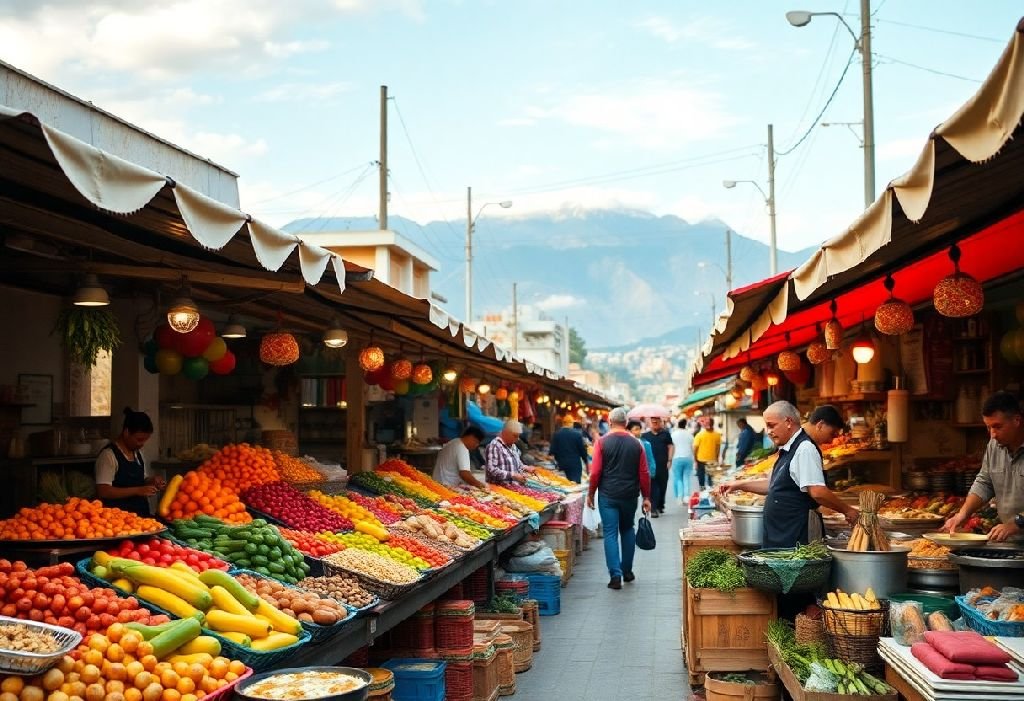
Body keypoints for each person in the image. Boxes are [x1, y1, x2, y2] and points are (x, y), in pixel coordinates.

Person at [717, 402, 858, 548]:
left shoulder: (805, 448)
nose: (768, 431)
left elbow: (817, 492)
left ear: (789, 422)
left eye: (772, 425)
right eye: (768, 426)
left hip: (794, 534)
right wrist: (739, 485)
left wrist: (847, 510)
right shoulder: (791, 447)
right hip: (783, 533)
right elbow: (773, 484)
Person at [944, 391, 1024, 542]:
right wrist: (962, 514)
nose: (992, 434)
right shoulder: (994, 445)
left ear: (1017, 420)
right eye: (988, 427)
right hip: (1012, 542)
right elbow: (984, 482)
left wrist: (1016, 524)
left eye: (997, 426)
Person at [586, 407, 651, 589]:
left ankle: (615, 576)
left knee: (610, 533)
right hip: (630, 494)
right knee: (628, 529)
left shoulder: (602, 442)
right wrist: (647, 496)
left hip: (608, 495)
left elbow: (596, 471)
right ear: (627, 423)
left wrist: (591, 493)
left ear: (609, 421)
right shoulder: (637, 444)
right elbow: (644, 473)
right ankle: (627, 571)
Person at [95, 408, 164, 516]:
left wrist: (152, 481)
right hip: (118, 520)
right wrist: (138, 490)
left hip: (142, 517)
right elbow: (103, 490)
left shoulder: (138, 454)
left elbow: (142, 479)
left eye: (145, 440)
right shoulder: (108, 456)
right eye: (139, 439)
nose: (142, 444)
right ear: (126, 432)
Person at [485, 419, 535, 484]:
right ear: (505, 433)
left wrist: (526, 468)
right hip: (499, 489)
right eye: (515, 436)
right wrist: (513, 475)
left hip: (514, 488)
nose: (517, 439)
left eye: (518, 436)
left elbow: (518, 465)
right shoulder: (494, 446)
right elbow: (492, 471)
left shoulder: (513, 446)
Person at [642, 416, 674, 516]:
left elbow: (670, 446)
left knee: (662, 486)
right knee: (652, 487)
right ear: (649, 423)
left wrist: (669, 460)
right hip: (650, 466)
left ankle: (660, 505)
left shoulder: (665, 434)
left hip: (663, 464)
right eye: (653, 422)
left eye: (657, 422)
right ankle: (653, 509)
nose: (655, 423)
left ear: (660, 422)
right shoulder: (645, 436)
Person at [549, 415, 590, 483]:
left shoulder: (556, 434)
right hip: (574, 466)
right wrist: (586, 463)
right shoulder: (577, 435)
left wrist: (556, 462)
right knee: (575, 487)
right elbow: (583, 451)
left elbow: (552, 452)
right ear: (572, 424)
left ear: (563, 423)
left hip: (561, 465)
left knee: (563, 486)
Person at [670, 419, 695, 506]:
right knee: (686, 477)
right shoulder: (689, 435)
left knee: (678, 478)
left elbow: (671, 447)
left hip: (676, 457)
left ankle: (680, 497)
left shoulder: (673, 434)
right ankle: (686, 497)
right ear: (685, 425)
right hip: (688, 457)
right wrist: (694, 459)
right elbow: (693, 447)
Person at [692, 420, 722, 489]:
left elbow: (695, 449)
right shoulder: (717, 435)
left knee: (704, 479)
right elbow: (718, 449)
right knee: (710, 480)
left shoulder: (699, 435)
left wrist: (695, 460)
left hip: (704, 460)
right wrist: (717, 459)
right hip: (708, 460)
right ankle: (708, 493)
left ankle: (704, 492)